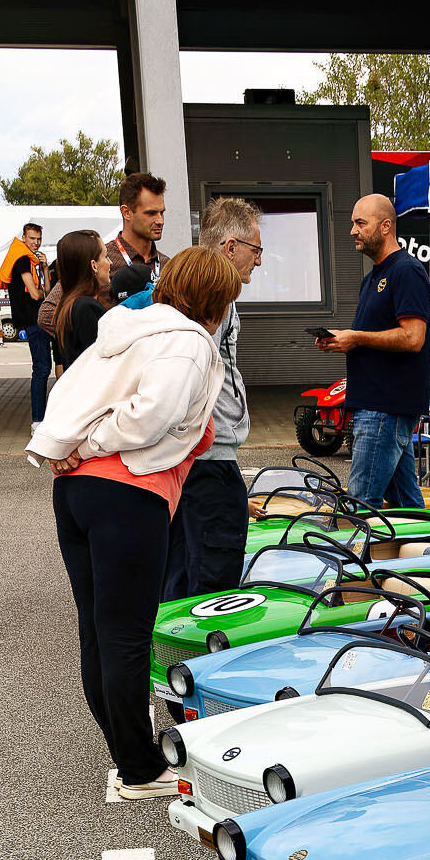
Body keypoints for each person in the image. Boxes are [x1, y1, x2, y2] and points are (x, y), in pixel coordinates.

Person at [26, 246, 239, 799]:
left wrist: (70, 447)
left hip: (76, 492)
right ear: (214, 301)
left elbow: (67, 393)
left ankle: (128, 754)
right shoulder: (187, 341)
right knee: (125, 636)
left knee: (99, 631)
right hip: (127, 494)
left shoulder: (125, 330)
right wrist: (92, 443)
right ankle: (139, 770)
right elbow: (150, 418)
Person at [171, 195, 263, 597]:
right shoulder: (214, 296)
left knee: (183, 569)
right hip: (207, 459)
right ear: (230, 247)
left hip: (198, 458)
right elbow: (191, 376)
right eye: (255, 250)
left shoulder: (194, 288)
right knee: (213, 582)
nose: (257, 261)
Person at [316, 193, 430, 512]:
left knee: (359, 505)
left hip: (385, 406)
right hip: (378, 405)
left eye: (360, 223)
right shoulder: (373, 277)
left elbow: (414, 337)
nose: (353, 230)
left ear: (386, 226)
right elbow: (375, 335)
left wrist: (356, 338)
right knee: (407, 506)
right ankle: (428, 544)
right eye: (353, 223)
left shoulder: (406, 271)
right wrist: (343, 340)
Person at [38, 169, 169, 339]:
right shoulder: (99, 259)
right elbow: (47, 314)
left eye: (162, 212)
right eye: (151, 213)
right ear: (126, 212)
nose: (160, 221)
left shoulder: (167, 264)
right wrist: (104, 340)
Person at [6, 222, 54, 424]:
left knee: (44, 367)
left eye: (39, 239)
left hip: (38, 319)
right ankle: (37, 420)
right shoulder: (22, 259)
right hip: (33, 319)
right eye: (32, 238)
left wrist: (45, 266)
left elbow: (48, 291)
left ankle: (39, 419)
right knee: (41, 368)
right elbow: (36, 294)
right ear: (24, 238)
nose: (36, 242)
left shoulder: (34, 261)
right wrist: (41, 292)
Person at [53, 231, 114, 369]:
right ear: (93, 265)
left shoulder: (68, 304)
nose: (110, 262)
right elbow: (101, 362)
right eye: (105, 256)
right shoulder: (86, 307)